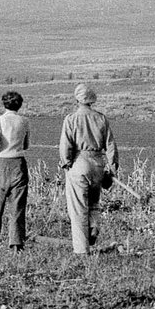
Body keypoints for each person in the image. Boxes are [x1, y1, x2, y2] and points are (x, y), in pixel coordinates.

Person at [59, 83, 118, 255]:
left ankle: (81, 250)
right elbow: (111, 146)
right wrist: (112, 169)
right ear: (92, 100)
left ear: (77, 99)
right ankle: (94, 226)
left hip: (79, 162)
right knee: (94, 202)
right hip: (98, 163)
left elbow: (65, 146)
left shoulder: (71, 119)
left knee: (78, 207)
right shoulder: (101, 118)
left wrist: (66, 163)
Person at [0, 91, 30, 251]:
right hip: (18, 163)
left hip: (1, 162)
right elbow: (26, 145)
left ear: (4, 104)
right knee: (18, 205)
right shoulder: (24, 121)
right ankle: (16, 243)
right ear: (19, 104)